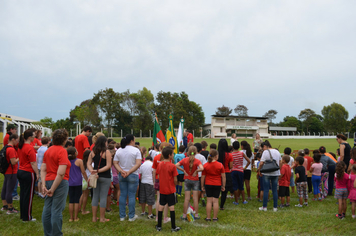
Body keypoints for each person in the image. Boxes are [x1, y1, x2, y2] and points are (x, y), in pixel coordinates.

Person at [41, 129, 71, 235]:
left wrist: (44, 185)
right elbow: (61, 173)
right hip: (59, 182)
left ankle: (47, 233)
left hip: (49, 180)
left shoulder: (48, 150)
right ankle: (57, 234)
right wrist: (52, 189)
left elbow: (43, 169)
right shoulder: (62, 151)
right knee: (56, 210)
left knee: (47, 209)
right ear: (64, 140)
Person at [113, 134, 141, 222]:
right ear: (132, 141)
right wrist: (129, 172)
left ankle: (122, 216)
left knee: (123, 194)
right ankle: (131, 216)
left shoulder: (119, 150)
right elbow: (138, 163)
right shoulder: (136, 150)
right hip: (132, 174)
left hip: (122, 175)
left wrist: (122, 171)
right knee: (132, 195)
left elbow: (115, 163)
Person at [155, 146, 180, 232]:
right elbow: (175, 179)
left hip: (162, 189)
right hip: (170, 189)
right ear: (169, 155)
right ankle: (173, 227)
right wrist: (175, 184)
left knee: (161, 206)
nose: (173, 155)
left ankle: (159, 226)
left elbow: (158, 174)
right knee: (171, 207)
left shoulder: (160, 164)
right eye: (172, 154)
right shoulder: (172, 166)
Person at [87, 136, 112, 222]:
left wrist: (92, 171)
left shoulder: (92, 152)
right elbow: (108, 165)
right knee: (103, 197)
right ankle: (102, 218)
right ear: (105, 142)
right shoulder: (106, 152)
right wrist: (98, 171)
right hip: (105, 176)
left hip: (95, 177)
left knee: (95, 197)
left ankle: (94, 217)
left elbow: (88, 163)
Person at [176, 146, 203, 220]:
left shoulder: (184, 160)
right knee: (195, 199)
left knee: (186, 199)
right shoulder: (197, 161)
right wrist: (196, 171)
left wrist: (183, 171)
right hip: (195, 181)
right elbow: (202, 168)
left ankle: (184, 215)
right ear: (196, 152)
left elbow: (176, 165)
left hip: (187, 180)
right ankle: (196, 214)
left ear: (188, 152)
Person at [17, 128, 39, 221]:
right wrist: (37, 174)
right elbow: (33, 163)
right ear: (29, 137)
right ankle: (27, 217)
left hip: (21, 171)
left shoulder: (20, 146)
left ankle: (23, 215)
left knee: (23, 194)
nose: (35, 137)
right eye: (34, 136)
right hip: (28, 172)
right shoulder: (29, 147)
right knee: (29, 195)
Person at [201, 149, 225, 222]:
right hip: (217, 184)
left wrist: (202, 186)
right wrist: (223, 185)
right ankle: (215, 217)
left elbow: (203, 177)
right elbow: (223, 176)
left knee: (209, 201)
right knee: (215, 201)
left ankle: (208, 217)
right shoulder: (220, 165)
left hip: (208, 184)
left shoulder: (205, 165)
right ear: (216, 156)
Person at [257, 140, 281, 212]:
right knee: (274, 190)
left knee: (266, 190)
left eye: (262, 148)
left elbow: (261, 163)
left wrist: (259, 170)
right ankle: (275, 207)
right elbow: (280, 162)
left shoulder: (265, 152)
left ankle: (264, 207)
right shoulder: (277, 151)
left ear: (265, 146)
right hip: (275, 172)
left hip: (267, 173)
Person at [68, 147, 88, 222]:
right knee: (76, 200)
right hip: (78, 182)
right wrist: (86, 180)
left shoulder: (67, 161)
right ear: (75, 153)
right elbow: (83, 172)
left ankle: (71, 217)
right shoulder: (79, 161)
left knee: (71, 200)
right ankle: (75, 217)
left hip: (69, 182)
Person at [1, 134, 19, 214]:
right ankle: (10, 208)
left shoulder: (5, 147)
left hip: (6, 171)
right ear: (13, 139)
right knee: (9, 190)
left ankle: (4, 205)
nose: (18, 141)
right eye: (17, 140)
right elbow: (13, 161)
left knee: (4, 189)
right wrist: (19, 158)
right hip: (11, 172)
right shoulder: (11, 149)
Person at [231, 141, 250, 205]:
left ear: (233, 147)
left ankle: (236, 201)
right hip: (240, 171)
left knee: (235, 187)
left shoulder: (231, 154)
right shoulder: (241, 153)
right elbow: (249, 161)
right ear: (239, 147)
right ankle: (244, 200)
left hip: (233, 171)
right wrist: (244, 167)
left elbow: (231, 164)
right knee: (241, 186)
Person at [217, 139, 233, 210]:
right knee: (224, 190)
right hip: (226, 173)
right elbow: (231, 166)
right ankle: (221, 206)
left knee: (216, 190)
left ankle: (214, 203)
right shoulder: (229, 155)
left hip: (217, 173)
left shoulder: (216, 154)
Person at [79, 149, 92, 214]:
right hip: (87, 180)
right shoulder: (91, 163)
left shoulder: (81, 162)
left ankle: (79, 207)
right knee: (85, 195)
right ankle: (83, 210)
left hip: (81, 180)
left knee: (82, 194)